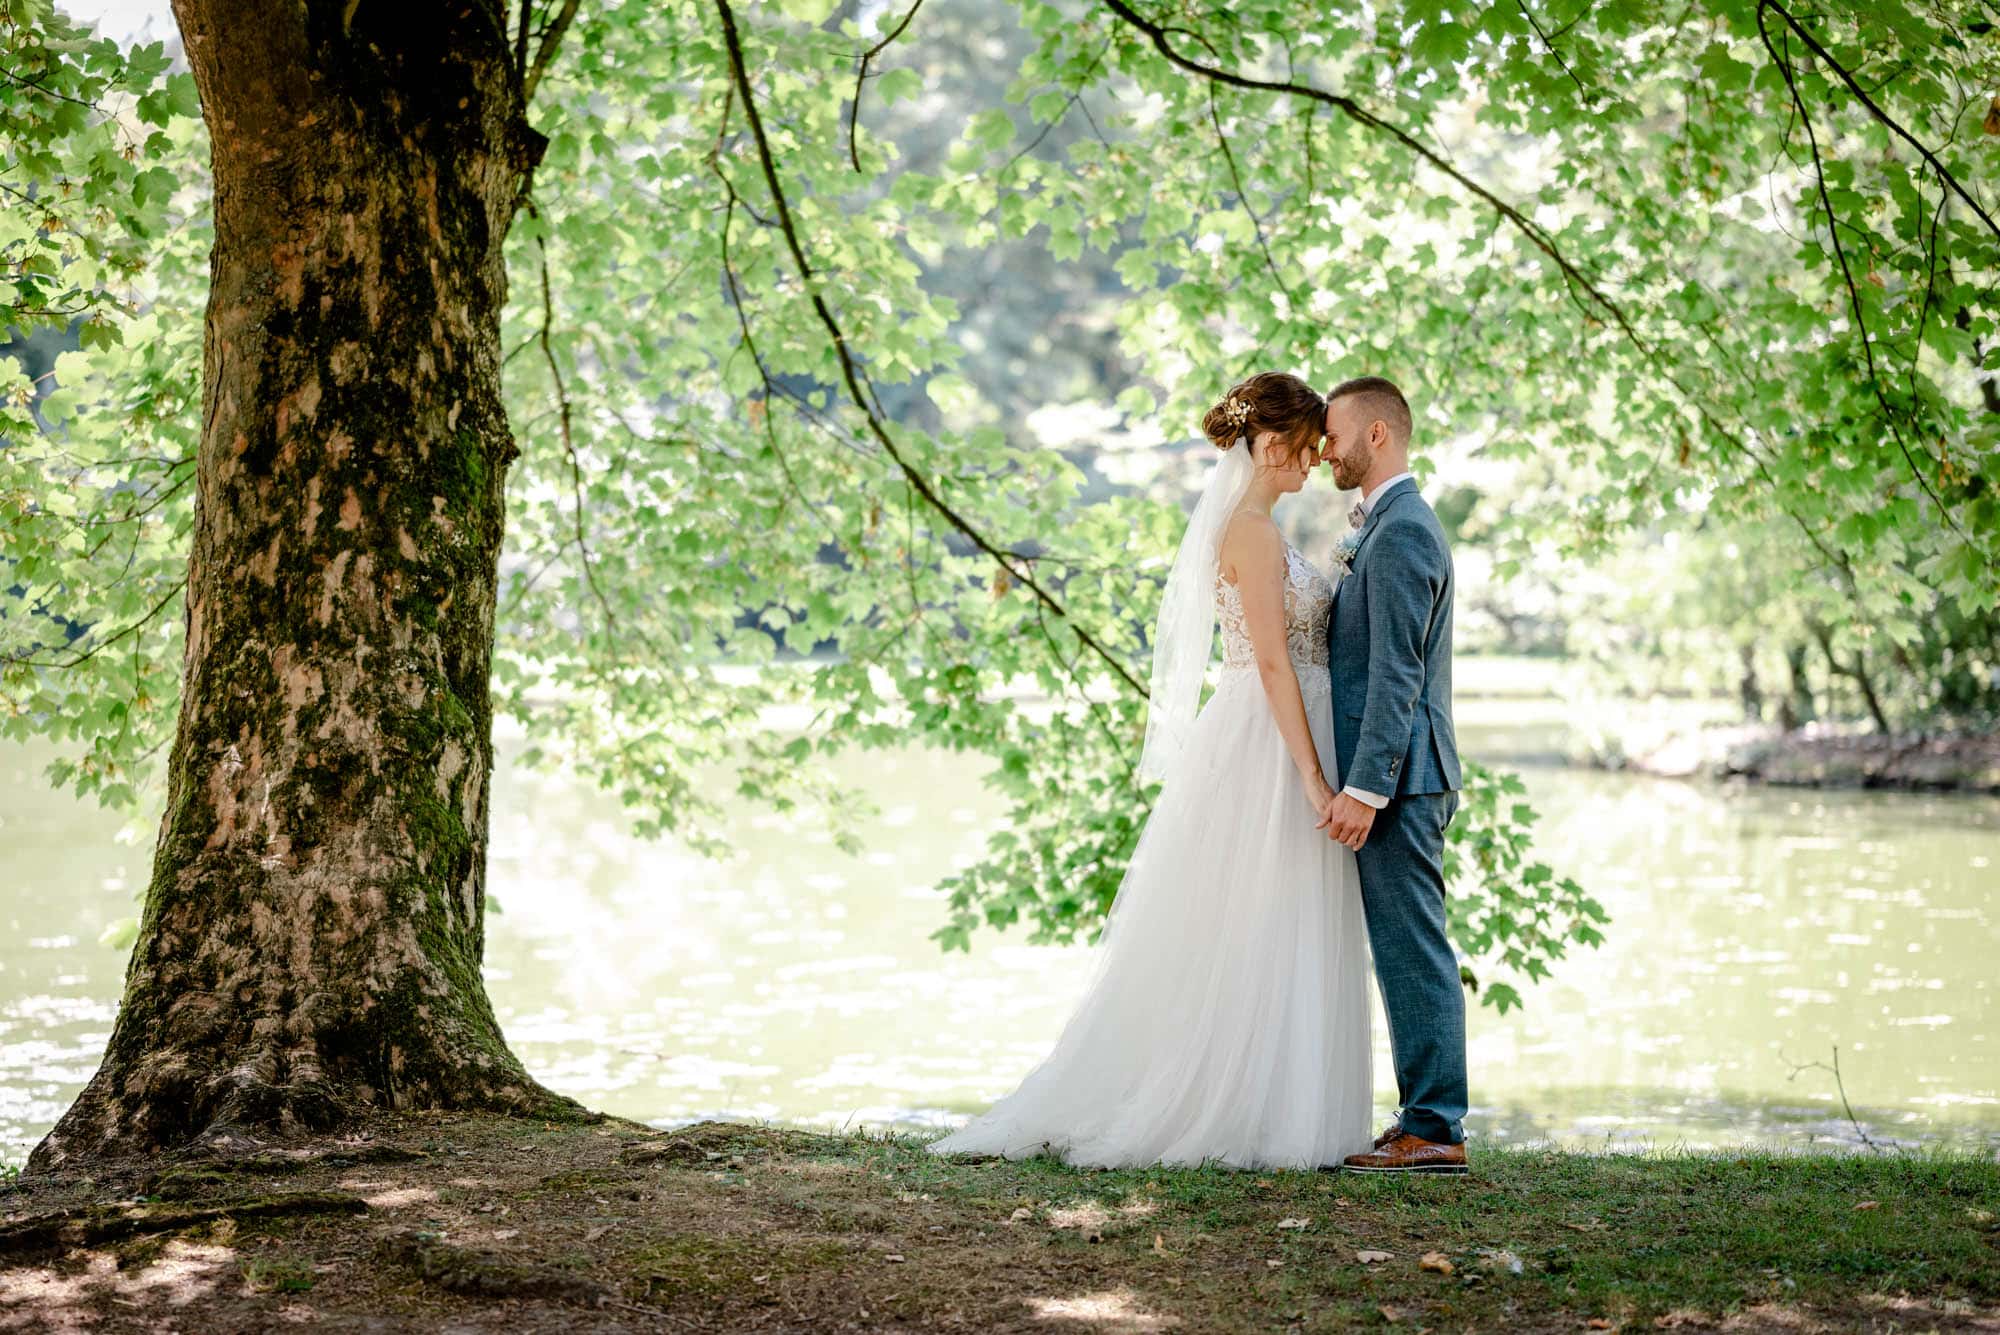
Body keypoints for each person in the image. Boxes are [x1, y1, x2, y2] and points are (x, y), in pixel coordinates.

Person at [926, 372, 1373, 1170]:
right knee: (1258, 912)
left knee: (1277, 913)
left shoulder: (1256, 525)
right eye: (1304, 449)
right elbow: (1271, 661)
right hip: (1271, 739)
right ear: (1270, 445)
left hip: (1286, 725)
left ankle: (1279, 1104)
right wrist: (1311, 775)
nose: (1311, 463)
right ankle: (1238, 1105)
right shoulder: (1252, 533)